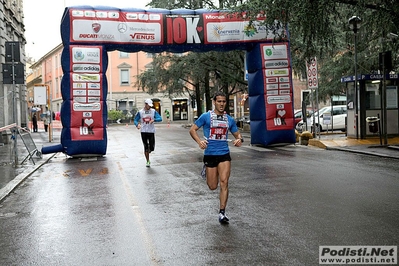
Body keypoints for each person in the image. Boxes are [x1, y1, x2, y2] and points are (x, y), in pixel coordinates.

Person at [189, 91, 243, 224]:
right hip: (210, 154)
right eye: (219, 101)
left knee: (224, 182)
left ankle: (222, 213)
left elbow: (238, 135)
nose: (221, 104)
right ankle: (208, 171)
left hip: (224, 154)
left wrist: (239, 140)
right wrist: (200, 142)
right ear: (214, 102)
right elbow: (192, 130)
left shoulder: (229, 119)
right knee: (213, 186)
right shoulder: (206, 116)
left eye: (224, 101)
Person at [134, 99, 162, 167]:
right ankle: (147, 161)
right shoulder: (140, 112)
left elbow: (160, 118)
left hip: (151, 131)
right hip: (143, 131)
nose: (149, 107)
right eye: (148, 105)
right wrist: (137, 124)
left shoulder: (153, 111)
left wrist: (154, 120)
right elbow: (135, 119)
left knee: (152, 147)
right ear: (145, 104)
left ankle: (149, 149)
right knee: (145, 146)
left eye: (150, 105)